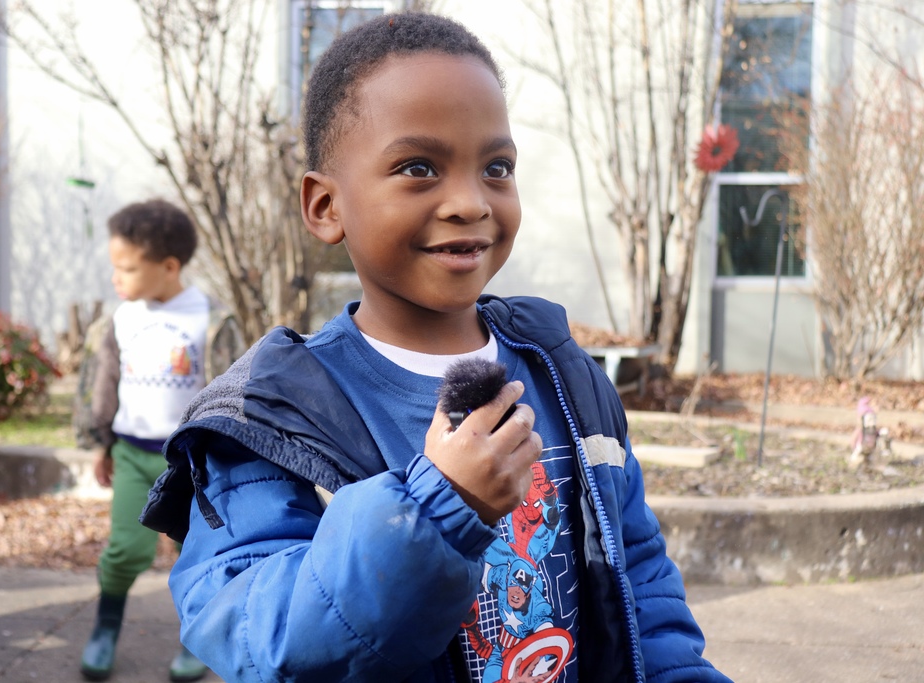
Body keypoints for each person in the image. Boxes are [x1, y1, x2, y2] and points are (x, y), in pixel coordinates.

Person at [140, 12, 732, 683]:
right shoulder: (269, 417)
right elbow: (264, 641)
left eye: (496, 167)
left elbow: (641, 586)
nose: (470, 202)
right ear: (326, 206)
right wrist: (438, 508)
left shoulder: (561, 372)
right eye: (419, 168)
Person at [80, 198, 242, 682]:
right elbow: (103, 383)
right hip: (131, 455)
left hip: (191, 463)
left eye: (126, 268)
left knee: (194, 554)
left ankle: (199, 636)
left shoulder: (210, 318)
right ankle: (105, 626)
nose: (116, 278)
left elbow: (231, 391)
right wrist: (100, 443)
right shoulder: (121, 318)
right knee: (126, 550)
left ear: (169, 266)